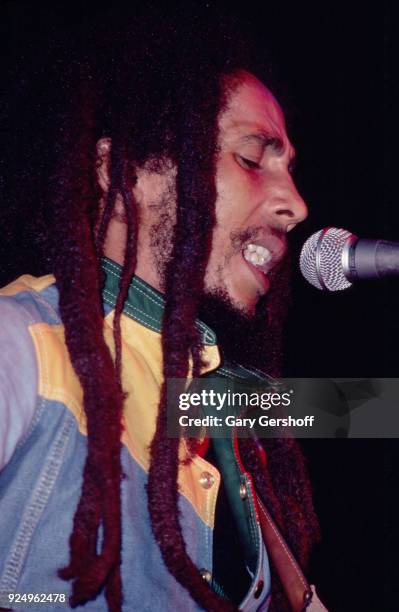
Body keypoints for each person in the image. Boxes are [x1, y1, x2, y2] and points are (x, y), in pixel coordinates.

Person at [0, 5, 323, 611]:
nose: (297, 205)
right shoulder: (22, 346)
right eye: (253, 159)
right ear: (128, 174)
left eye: (291, 170)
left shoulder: (221, 394)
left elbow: (374, 406)